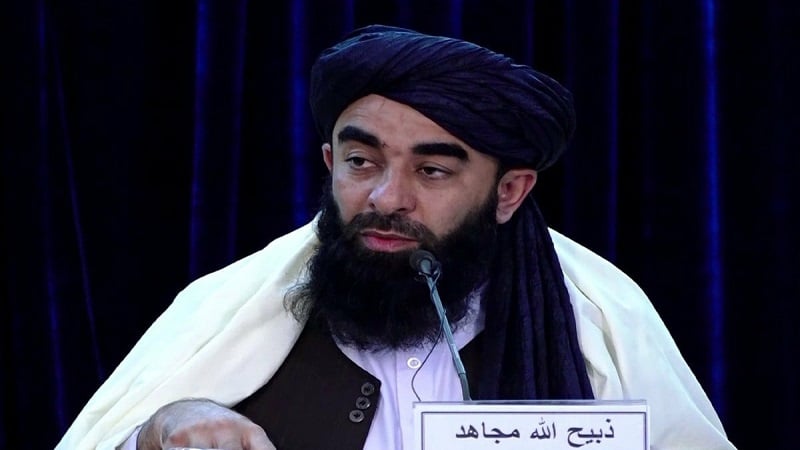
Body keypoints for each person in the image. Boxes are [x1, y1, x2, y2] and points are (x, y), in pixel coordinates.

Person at [56, 24, 736, 450]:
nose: (386, 198)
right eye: (362, 162)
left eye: (432, 171)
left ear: (509, 192)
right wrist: (163, 427)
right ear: (330, 162)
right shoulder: (229, 309)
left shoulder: (598, 318)